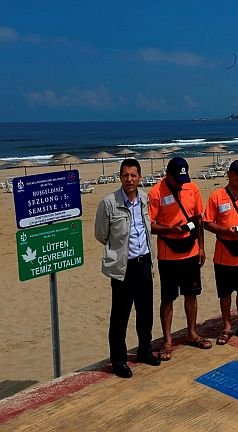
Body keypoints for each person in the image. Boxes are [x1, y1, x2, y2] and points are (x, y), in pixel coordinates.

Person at [95, 158, 161, 378]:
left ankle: (145, 350)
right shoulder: (109, 203)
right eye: (125, 175)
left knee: (145, 312)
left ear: (139, 177)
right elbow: (101, 234)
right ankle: (119, 360)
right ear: (120, 177)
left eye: (133, 175)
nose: (129, 179)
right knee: (120, 316)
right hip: (123, 267)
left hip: (144, 263)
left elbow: (147, 228)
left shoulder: (144, 199)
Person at [148, 157, 210, 360]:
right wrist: (169, 229)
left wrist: (201, 247)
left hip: (191, 250)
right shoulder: (156, 193)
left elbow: (198, 220)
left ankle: (192, 332)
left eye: (183, 179)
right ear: (168, 175)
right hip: (168, 253)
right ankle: (167, 340)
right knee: (168, 298)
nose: (180, 184)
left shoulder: (192, 188)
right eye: (177, 180)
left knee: (191, 294)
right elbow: (150, 225)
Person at [203, 160, 238, 345]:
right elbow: (207, 222)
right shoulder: (217, 196)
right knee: (225, 293)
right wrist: (225, 231)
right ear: (229, 174)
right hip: (224, 254)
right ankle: (227, 327)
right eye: (236, 173)